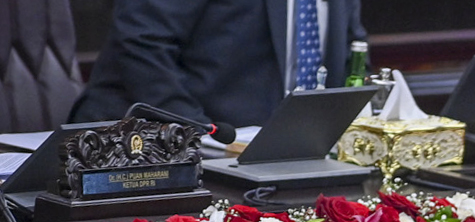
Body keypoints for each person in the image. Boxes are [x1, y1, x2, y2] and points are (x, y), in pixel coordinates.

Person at [68, 0, 366, 128]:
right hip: (149, 146)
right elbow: (142, 41)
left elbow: (353, 55)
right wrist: (201, 133)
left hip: (276, 164)